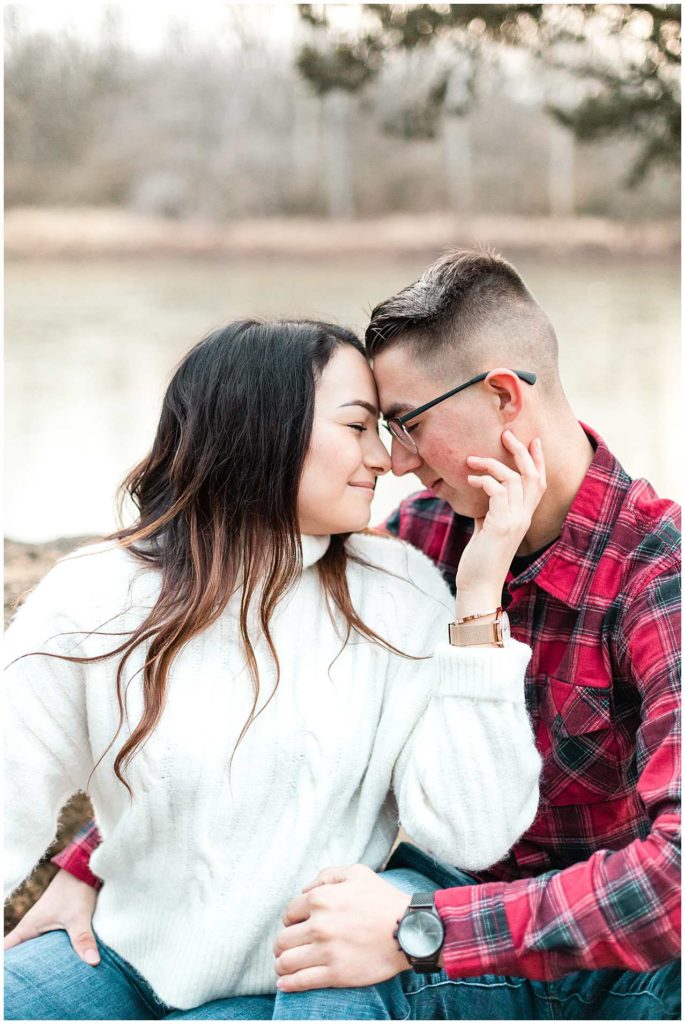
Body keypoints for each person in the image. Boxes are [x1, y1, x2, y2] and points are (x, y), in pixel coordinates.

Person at [9, 247, 681, 1021]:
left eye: (406, 424)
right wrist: (93, 859)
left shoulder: (657, 579)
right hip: (425, 903)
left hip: (580, 960)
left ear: (502, 395)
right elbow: (257, 690)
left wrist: (423, 927)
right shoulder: (425, 534)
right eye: (373, 426)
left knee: (331, 967)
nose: (392, 460)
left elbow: (672, 882)